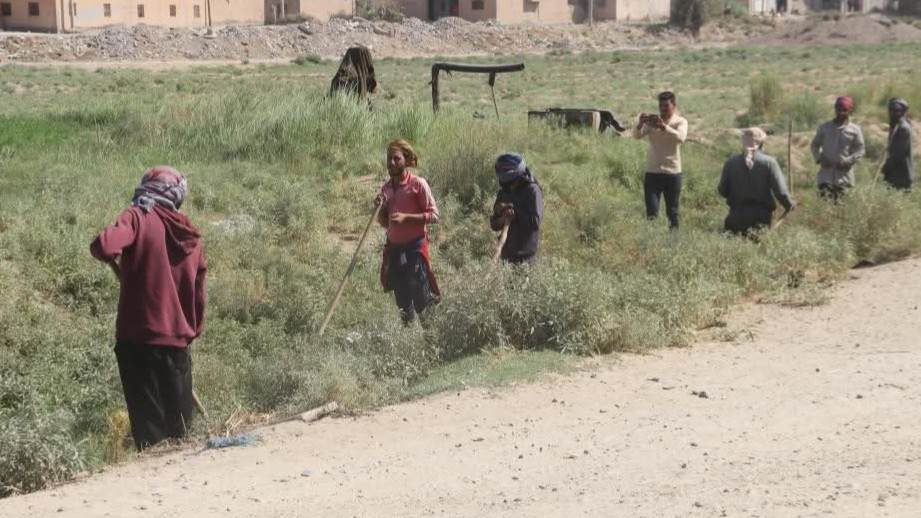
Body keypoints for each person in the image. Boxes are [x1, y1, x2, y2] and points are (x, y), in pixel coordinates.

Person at [90, 166, 207, 452]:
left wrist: (132, 214)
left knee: (151, 438)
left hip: (138, 341)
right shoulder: (190, 236)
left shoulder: (138, 216)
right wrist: (188, 332)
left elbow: (104, 247)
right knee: (181, 435)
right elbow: (198, 294)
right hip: (177, 343)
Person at [377, 139, 440, 323]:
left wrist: (406, 218)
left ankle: (432, 342)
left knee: (423, 302)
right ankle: (409, 343)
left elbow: (434, 216)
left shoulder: (418, 184)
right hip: (395, 251)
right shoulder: (386, 189)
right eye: (389, 159)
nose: (391, 163)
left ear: (406, 159)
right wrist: (380, 207)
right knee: (403, 305)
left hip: (415, 250)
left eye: (396, 159)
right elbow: (384, 223)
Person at [718, 127, 795, 236]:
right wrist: (789, 204)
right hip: (760, 220)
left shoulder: (730, 163)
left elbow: (722, 191)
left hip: (735, 219)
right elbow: (781, 192)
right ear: (761, 143)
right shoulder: (769, 163)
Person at [633, 91, 689, 230]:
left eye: (666, 106)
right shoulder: (653, 122)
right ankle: (651, 243)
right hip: (653, 173)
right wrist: (640, 124)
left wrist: (665, 127)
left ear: (674, 106)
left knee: (672, 212)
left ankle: (674, 242)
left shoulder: (680, 122)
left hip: (673, 173)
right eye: (660, 106)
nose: (663, 109)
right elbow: (636, 136)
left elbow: (681, 138)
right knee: (651, 212)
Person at [490, 153, 544, 264]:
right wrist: (501, 215)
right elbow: (494, 225)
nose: (510, 186)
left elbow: (536, 222)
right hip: (506, 257)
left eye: (512, 183)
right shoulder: (503, 192)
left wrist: (516, 214)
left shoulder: (532, 191)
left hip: (525, 258)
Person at [810, 96, 865, 200]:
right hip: (825, 177)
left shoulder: (855, 130)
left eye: (844, 110)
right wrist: (820, 158)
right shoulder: (825, 128)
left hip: (845, 178)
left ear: (850, 111)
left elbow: (860, 149)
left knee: (844, 210)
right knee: (824, 209)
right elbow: (814, 145)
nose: (841, 113)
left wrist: (847, 161)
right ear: (835, 109)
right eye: (839, 110)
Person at [881, 98, 914, 191]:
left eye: (897, 111)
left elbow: (899, 154)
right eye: (891, 110)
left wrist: (886, 166)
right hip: (894, 172)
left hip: (901, 173)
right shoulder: (895, 124)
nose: (893, 113)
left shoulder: (903, 128)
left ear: (903, 112)